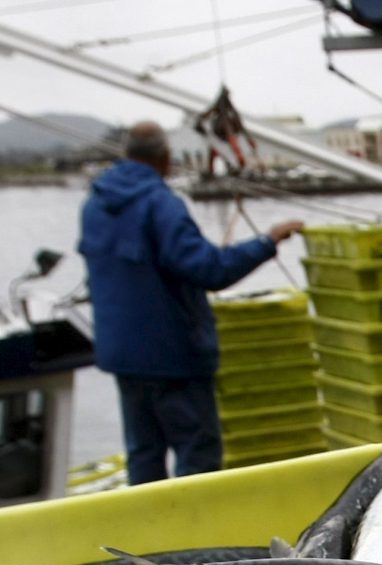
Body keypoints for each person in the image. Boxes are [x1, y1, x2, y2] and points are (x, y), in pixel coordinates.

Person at [79, 122, 300, 484]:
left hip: (122, 357)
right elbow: (210, 269)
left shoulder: (94, 205)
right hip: (173, 359)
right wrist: (267, 241)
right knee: (198, 459)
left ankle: (146, 536)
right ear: (165, 159)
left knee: (143, 457)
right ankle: (196, 537)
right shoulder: (160, 203)